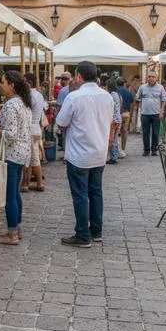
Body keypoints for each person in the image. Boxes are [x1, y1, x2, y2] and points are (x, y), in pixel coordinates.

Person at [55, 61, 114, 248]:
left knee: (80, 194)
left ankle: (82, 234)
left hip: (79, 154)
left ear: (79, 76)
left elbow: (61, 123)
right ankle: (96, 231)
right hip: (99, 152)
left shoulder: (74, 97)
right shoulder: (107, 97)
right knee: (96, 192)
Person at [0, 71, 32, 245]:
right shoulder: (23, 103)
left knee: (10, 195)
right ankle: (17, 228)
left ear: (11, 85)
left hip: (12, 154)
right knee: (15, 193)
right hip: (21, 153)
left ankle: (12, 234)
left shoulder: (11, 106)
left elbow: (10, 135)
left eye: (2, 82)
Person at [20, 73, 46, 192]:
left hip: (30, 128)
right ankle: (31, 182)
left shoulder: (29, 95)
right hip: (35, 128)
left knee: (31, 158)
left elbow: (25, 112)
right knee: (31, 157)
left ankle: (33, 182)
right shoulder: (39, 95)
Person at [136, 72, 166, 156]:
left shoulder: (160, 88)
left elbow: (163, 100)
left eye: (153, 77)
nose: (151, 78)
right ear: (147, 78)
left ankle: (154, 150)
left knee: (155, 132)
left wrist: (161, 111)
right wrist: (140, 108)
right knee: (145, 132)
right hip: (145, 113)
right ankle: (146, 150)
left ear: (156, 78)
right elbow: (137, 98)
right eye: (149, 76)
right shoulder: (142, 87)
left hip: (156, 113)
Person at [106, 79, 122, 164]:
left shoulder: (112, 95)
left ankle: (113, 157)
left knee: (112, 138)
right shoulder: (117, 94)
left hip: (113, 119)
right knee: (114, 138)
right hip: (117, 118)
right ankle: (114, 156)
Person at [117, 77, 133, 157]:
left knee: (116, 132)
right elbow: (131, 105)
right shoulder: (128, 92)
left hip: (117, 114)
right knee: (124, 131)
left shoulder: (115, 92)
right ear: (124, 84)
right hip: (126, 113)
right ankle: (123, 149)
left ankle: (116, 150)